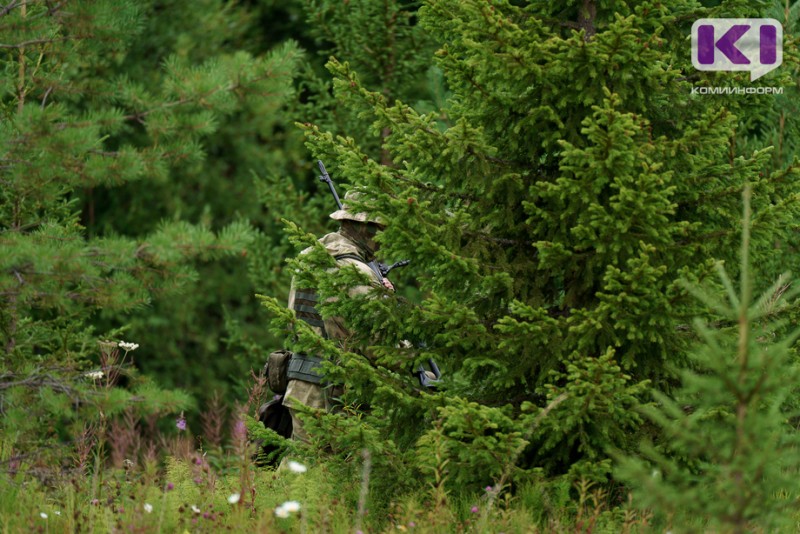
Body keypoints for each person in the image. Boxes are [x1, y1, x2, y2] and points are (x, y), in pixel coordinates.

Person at [281, 190, 393, 443]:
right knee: (337, 475)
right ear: (365, 228)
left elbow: (294, 320)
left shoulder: (308, 258)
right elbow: (375, 344)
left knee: (301, 470)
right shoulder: (356, 272)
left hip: (299, 385)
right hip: (338, 396)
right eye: (379, 229)